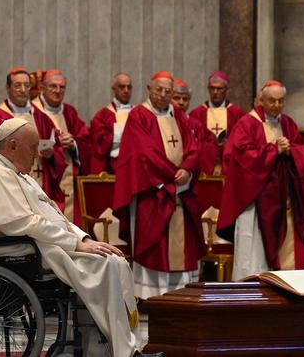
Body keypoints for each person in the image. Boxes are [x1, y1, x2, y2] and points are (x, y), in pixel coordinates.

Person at [0, 118, 165, 357]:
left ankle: (98, 349)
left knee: (111, 260)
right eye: (32, 147)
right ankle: (121, 352)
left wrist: (84, 240)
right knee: (105, 264)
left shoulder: (14, 172)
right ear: (13, 145)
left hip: (37, 244)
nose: (37, 154)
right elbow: (23, 222)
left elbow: (54, 215)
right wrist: (74, 243)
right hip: (18, 250)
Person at [113, 71, 205, 299]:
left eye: (168, 91)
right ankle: (152, 297)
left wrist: (187, 169)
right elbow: (143, 154)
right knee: (154, 245)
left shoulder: (180, 117)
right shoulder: (138, 116)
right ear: (149, 89)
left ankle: (180, 295)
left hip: (180, 192)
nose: (163, 95)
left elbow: (194, 147)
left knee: (183, 247)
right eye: (159, 90)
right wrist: (172, 176)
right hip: (152, 192)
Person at [217, 80, 304, 280]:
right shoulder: (247, 123)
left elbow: (303, 152)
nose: (276, 105)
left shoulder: (288, 124)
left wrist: (291, 150)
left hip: (284, 200)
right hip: (256, 201)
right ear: (261, 100)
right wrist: (273, 150)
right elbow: (240, 158)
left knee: (288, 253)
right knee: (254, 254)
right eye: (271, 101)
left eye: (280, 101)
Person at [0, 68, 67, 208]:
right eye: (17, 85)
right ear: (8, 88)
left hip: (38, 184)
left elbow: (57, 152)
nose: (23, 89)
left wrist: (51, 155)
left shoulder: (42, 118)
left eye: (27, 85)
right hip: (6, 188)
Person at [32, 69, 91, 224]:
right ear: (43, 87)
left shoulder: (70, 112)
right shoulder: (32, 111)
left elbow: (86, 141)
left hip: (68, 179)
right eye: (53, 86)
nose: (57, 91)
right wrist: (55, 148)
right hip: (42, 175)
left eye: (62, 87)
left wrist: (74, 144)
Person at [188, 71, 246, 174]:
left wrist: (229, 145)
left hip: (229, 170)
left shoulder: (237, 114)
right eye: (212, 88)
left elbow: (243, 143)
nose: (215, 92)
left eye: (219, 89)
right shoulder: (196, 114)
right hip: (203, 171)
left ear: (227, 90)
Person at [90, 72, 134, 174]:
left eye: (129, 87)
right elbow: (100, 145)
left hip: (135, 167)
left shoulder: (139, 113)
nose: (126, 91)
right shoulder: (102, 115)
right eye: (122, 87)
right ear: (114, 89)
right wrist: (123, 132)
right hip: (113, 168)